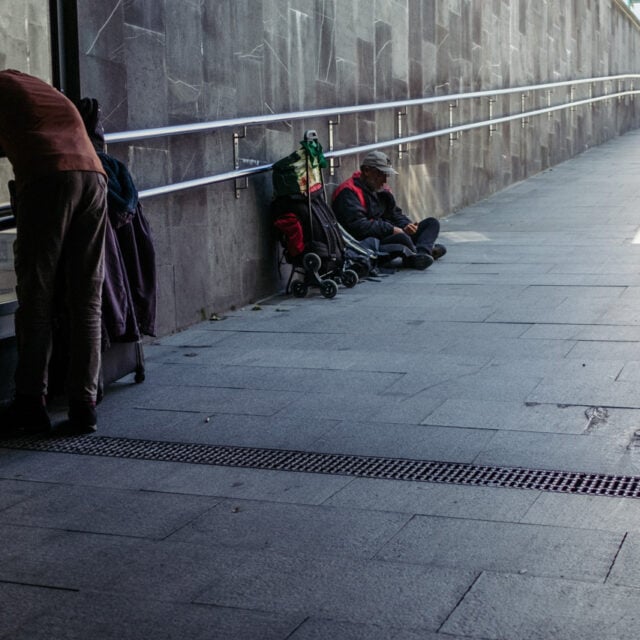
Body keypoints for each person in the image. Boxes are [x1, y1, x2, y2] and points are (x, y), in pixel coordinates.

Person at [0, 69, 108, 436]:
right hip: (94, 177)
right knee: (86, 300)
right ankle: (84, 406)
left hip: (48, 178)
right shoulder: (28, 84)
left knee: (37, 296)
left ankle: (31, 402)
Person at [332, 150, 446, 270]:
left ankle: (421, 253)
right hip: (370, 241)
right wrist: (391, 229)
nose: (385, 180)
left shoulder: (380, 188)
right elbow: (358, 226)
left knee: (432, 223)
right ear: (366, 171)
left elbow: (395, 214)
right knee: (402, 238)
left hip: (389, 232)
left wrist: (407, 226)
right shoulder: (348, 192)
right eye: (381, 175)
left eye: (386, 175)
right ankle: (420, 253)